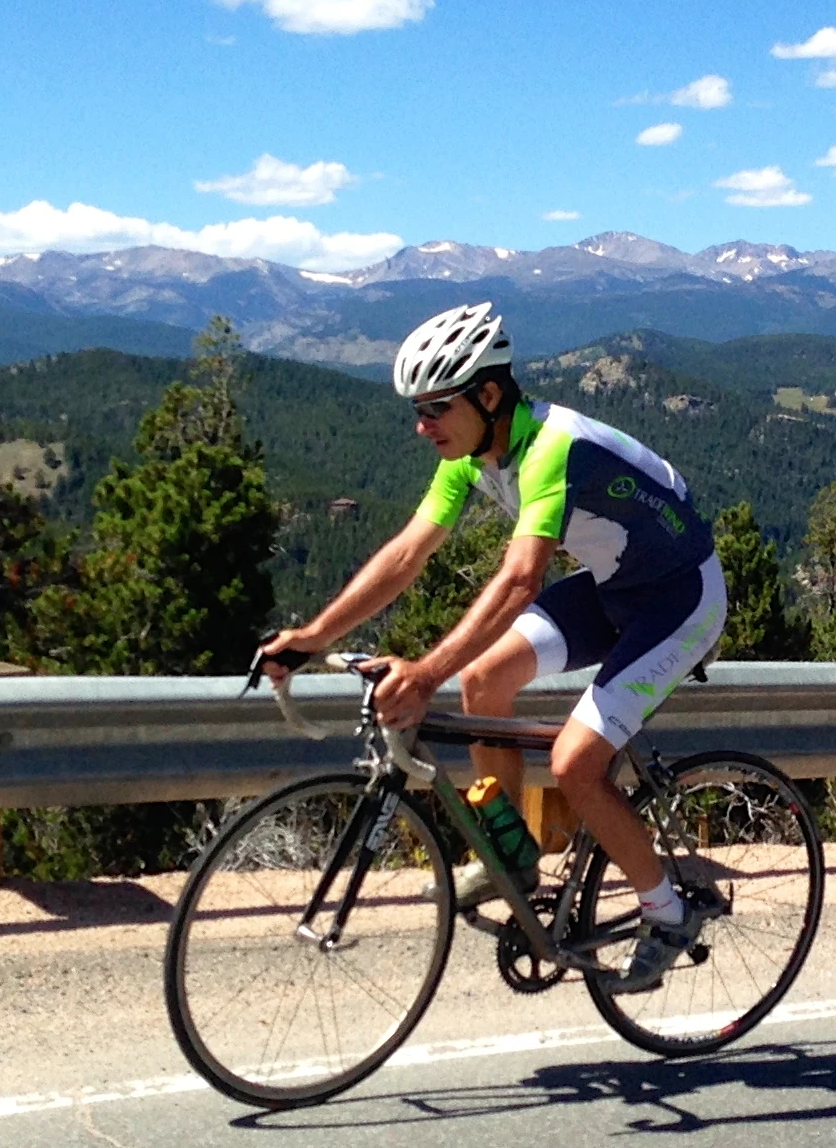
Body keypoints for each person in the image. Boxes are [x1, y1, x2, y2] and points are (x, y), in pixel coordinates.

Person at [262, 302, 726, 992]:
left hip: (680, 600)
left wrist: (422, 673)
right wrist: (311, 637)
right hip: (611, 585)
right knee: (482, 682)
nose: (422, 428)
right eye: (416, 411)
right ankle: (513, 855)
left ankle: (667, 909)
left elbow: (518, 579)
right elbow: (405, 554)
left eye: (435, 408)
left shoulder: (552, 447)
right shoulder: (473, 455)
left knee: (575, 763)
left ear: (487, 393)